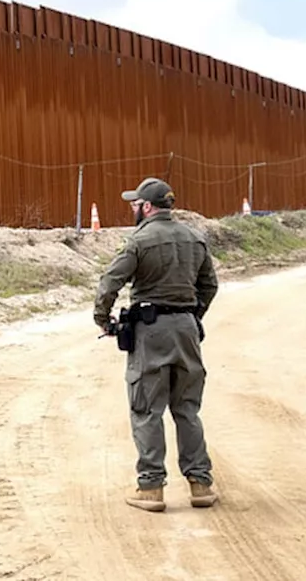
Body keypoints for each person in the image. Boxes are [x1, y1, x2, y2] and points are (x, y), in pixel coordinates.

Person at [94, 177, 220, 513]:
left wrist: (102, 319)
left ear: (147, 207)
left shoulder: (139, 240)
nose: (133, 208)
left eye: (135, 204)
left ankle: (151, 488)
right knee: (187, 409)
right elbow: (209, 284)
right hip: (187, 330)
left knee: (147, 409)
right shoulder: (195, 238)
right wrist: (193, 316)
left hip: (151, 332)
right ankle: (201, 484)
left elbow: (110, 282)